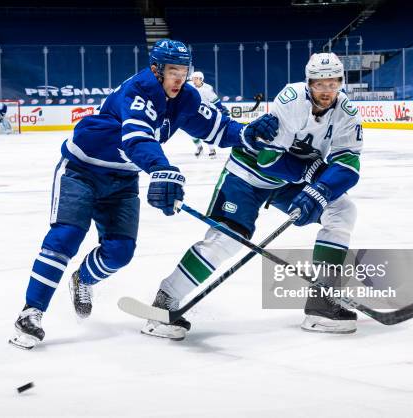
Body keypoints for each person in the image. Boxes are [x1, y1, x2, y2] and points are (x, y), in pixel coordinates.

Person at [8, 39, 279, 349]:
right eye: (173, 71)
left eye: (184, 71)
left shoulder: (186, 97)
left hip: (122, 179)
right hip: (81, 170)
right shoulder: (139, 90)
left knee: (120, 252)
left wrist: (247, 133)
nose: (179, 78)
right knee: (66, 237)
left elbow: (218, 128)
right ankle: (31, 313)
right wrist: (161, 168)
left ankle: (83, 278)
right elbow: (137, 138)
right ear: (156, 69)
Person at [141, 52, 363, 341]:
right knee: (227, 239)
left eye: (332, 83)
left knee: (342, 210)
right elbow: (269, 158)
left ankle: (322, 303)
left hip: (289, 179)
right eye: (319, 83)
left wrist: (321, 190)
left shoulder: (347, 112)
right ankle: (165, 300)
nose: (326, 90)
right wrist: (312, 176)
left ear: (341, 83)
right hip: (247, 175)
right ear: (309, 83)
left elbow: (349, 162)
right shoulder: (291, 99)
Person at [188, 71, 228, 158]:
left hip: (204, 113)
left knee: (207, 132)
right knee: (192, 132)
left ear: (200, 79)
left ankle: (212, 149)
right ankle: (199, 148)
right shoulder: (189, 86)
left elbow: (215, 100)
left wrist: (221, 108)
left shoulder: (207, 88)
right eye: (193, 78)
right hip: (192, 112)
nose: (193, 80)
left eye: (195, 79)